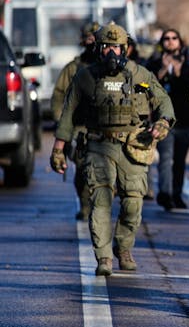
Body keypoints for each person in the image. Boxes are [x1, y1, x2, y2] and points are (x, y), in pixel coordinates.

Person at [49, 22, 174, 276]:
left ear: (125, 49)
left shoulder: (140, 76)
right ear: (99, 48)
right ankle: (103, 257)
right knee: (100, 202)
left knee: (133, 203)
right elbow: (68, 114)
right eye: (107, 47)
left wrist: (162, 122)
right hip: (98, 146)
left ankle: (124, 247)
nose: (112, 53)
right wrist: (58, 149)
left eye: (117, 48)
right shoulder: (85, 77)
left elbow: (162, 102)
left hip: (133, 147)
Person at [50, 21, 100, 221]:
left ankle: (100, 205)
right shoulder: (73, 68)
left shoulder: (109, 68)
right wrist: (61, 123)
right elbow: (59, 96)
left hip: (104, 127)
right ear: (83, 40)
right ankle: (86, 205)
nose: (93, 42)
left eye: (97, 38)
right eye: (90, 37)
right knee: (82, 167)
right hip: (79, 127)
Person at [146, 29, 189, 210]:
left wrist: (177, 71)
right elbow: (146, 85)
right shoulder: (153, 63)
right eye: (166, 38)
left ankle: (177, 193)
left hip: (184, 119)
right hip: (163, 120)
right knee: (166, 157)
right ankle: (165, 194)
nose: (170, 41)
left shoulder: (187, 64)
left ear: (180, 42)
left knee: (180, 159)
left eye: (174, 38)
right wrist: (162, 70)